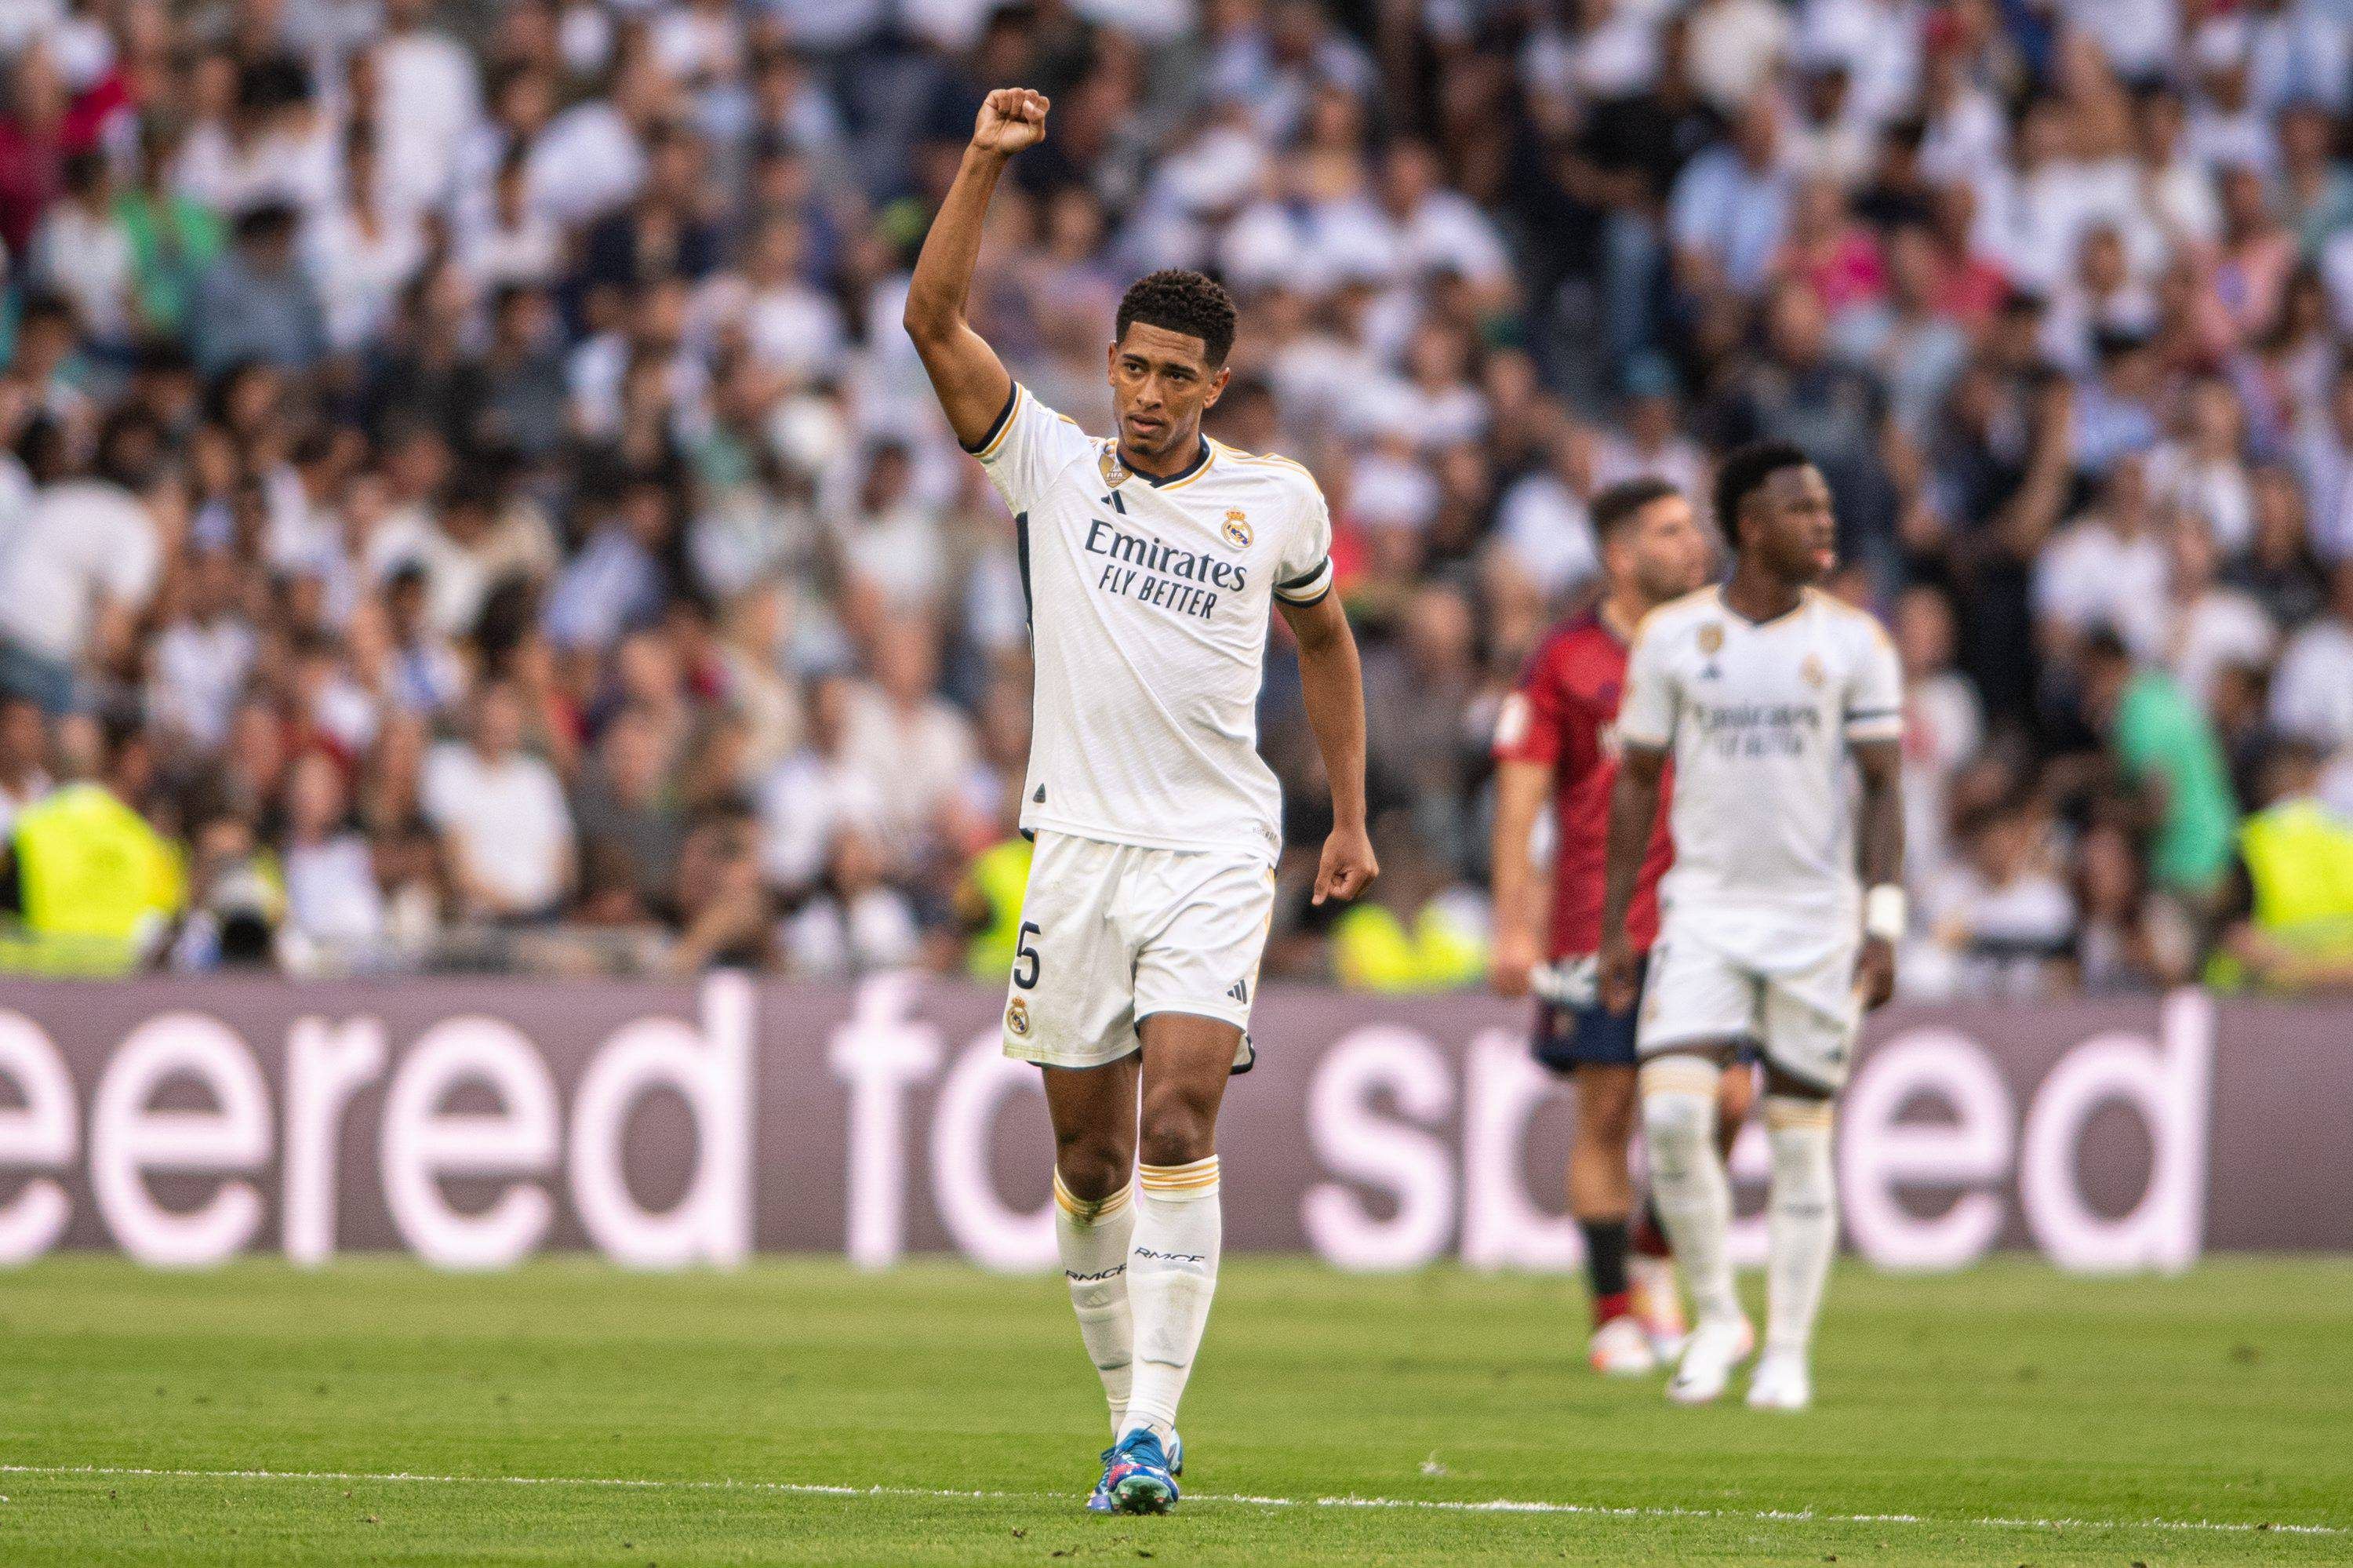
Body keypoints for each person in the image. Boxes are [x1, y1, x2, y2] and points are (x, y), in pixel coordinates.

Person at [903, 88, 1377, 1515]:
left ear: (1217, 387)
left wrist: (1347, 815)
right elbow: (932, 323)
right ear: (1108, 362)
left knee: (1180, 1116)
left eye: (1182, 374)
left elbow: (1330, 640)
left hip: (1218, 848)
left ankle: (1156, 1426)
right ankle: (1124, 1418)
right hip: (1081, 849)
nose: (1154, 393)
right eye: (1138, 366)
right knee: (1091, 1156)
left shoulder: (1276, 502)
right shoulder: (1045, 461)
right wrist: (982, 160)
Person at [1598, 441, 1904, 1411]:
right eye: (1803, 510)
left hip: (1817, 920)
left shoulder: (1857, 639)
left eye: (1826, 508)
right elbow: (1637, 782)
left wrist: (1882, 917)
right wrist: (1617, 927)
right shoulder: (1675, 637)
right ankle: (1721, 1313)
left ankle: (1790, 1355)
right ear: (1750, 528)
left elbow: (1886, 785)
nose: (1826, 523)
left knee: (1801, 1139)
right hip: (1707, 913)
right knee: (1676, 1114)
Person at [1489, 476, 1756, 1377]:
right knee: (1607, 1114)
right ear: (1622, 553)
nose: (1694, 543)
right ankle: (1613, 1317)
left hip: (1709, 918)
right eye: (1671, 530)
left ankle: (1654, 1248)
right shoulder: (1563, 658)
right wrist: (1513, 926)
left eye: (1694, 527)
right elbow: (1521, 798)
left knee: (1728, 1100)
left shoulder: (1725, 642)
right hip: (1597, 921)